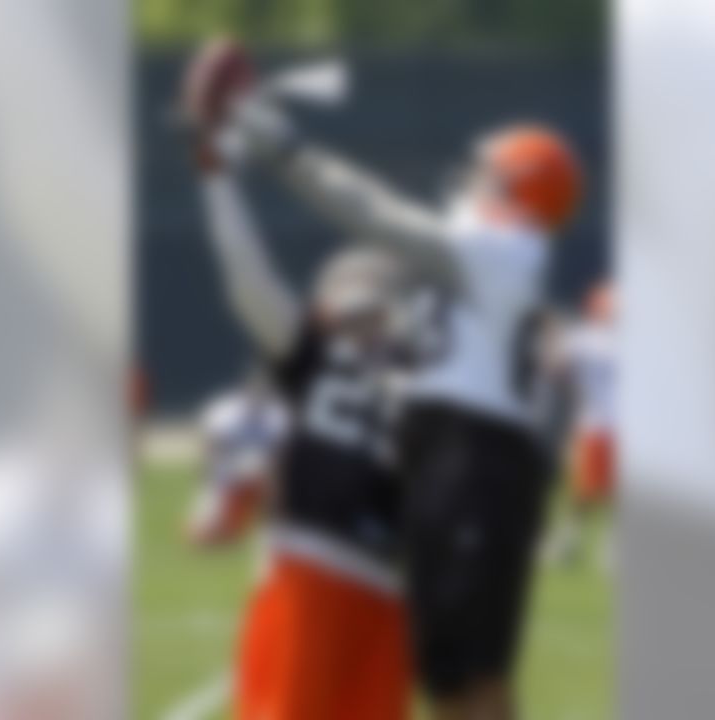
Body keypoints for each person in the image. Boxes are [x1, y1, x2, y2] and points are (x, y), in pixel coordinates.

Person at [195, 40, 585, 718]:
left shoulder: (504, 249)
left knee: (471, 684)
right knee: (452, 682)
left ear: (516, 188)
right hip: (457, 464)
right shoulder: (494, 275)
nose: (470, 182)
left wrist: (282, 145)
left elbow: (374, 214)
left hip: (472, 464)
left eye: (486, 175)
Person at [187, 60, 413, 714]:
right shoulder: (427, 373)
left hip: (311, 568)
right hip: (383, 586)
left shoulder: (319, 353)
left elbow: (247, 282)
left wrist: (216, 177)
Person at [544, 281, 617, 568]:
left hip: (621, 425)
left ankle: (611, 549)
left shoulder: (629, 338)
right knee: (581, 491)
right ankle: (568, 542)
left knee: (618, 493)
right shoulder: (582, 338)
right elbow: (558, 372)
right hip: (592, 421)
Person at [187, 374, 289, 547]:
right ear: (244, 395)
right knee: (198, 537)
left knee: (259, 470)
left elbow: (282, 453)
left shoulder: (276, 416)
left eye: (262, 396)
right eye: (254, 395)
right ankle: (225, 523)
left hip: (263, 477)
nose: (257, 401)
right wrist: (214, 471)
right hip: (226, 473)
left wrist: (275, 479)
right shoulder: (225, 413)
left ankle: (272, 527)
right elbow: (209, 446)